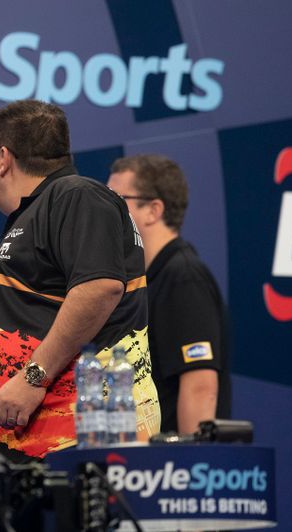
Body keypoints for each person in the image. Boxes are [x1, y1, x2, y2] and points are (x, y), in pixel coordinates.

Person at [0, 100, 160, 459]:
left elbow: (100, 287)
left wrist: (33, 377)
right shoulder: (37, 218)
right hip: (37, 444)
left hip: (87, 440)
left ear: (2, 158)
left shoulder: (77, 195)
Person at [107, 154, 231, 434]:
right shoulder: (145, 280)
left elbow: (200, 386)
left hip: (172, 470)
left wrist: (187, 468)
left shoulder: (183, 277)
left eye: (115, 201)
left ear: (153, 210)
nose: (103, 212)